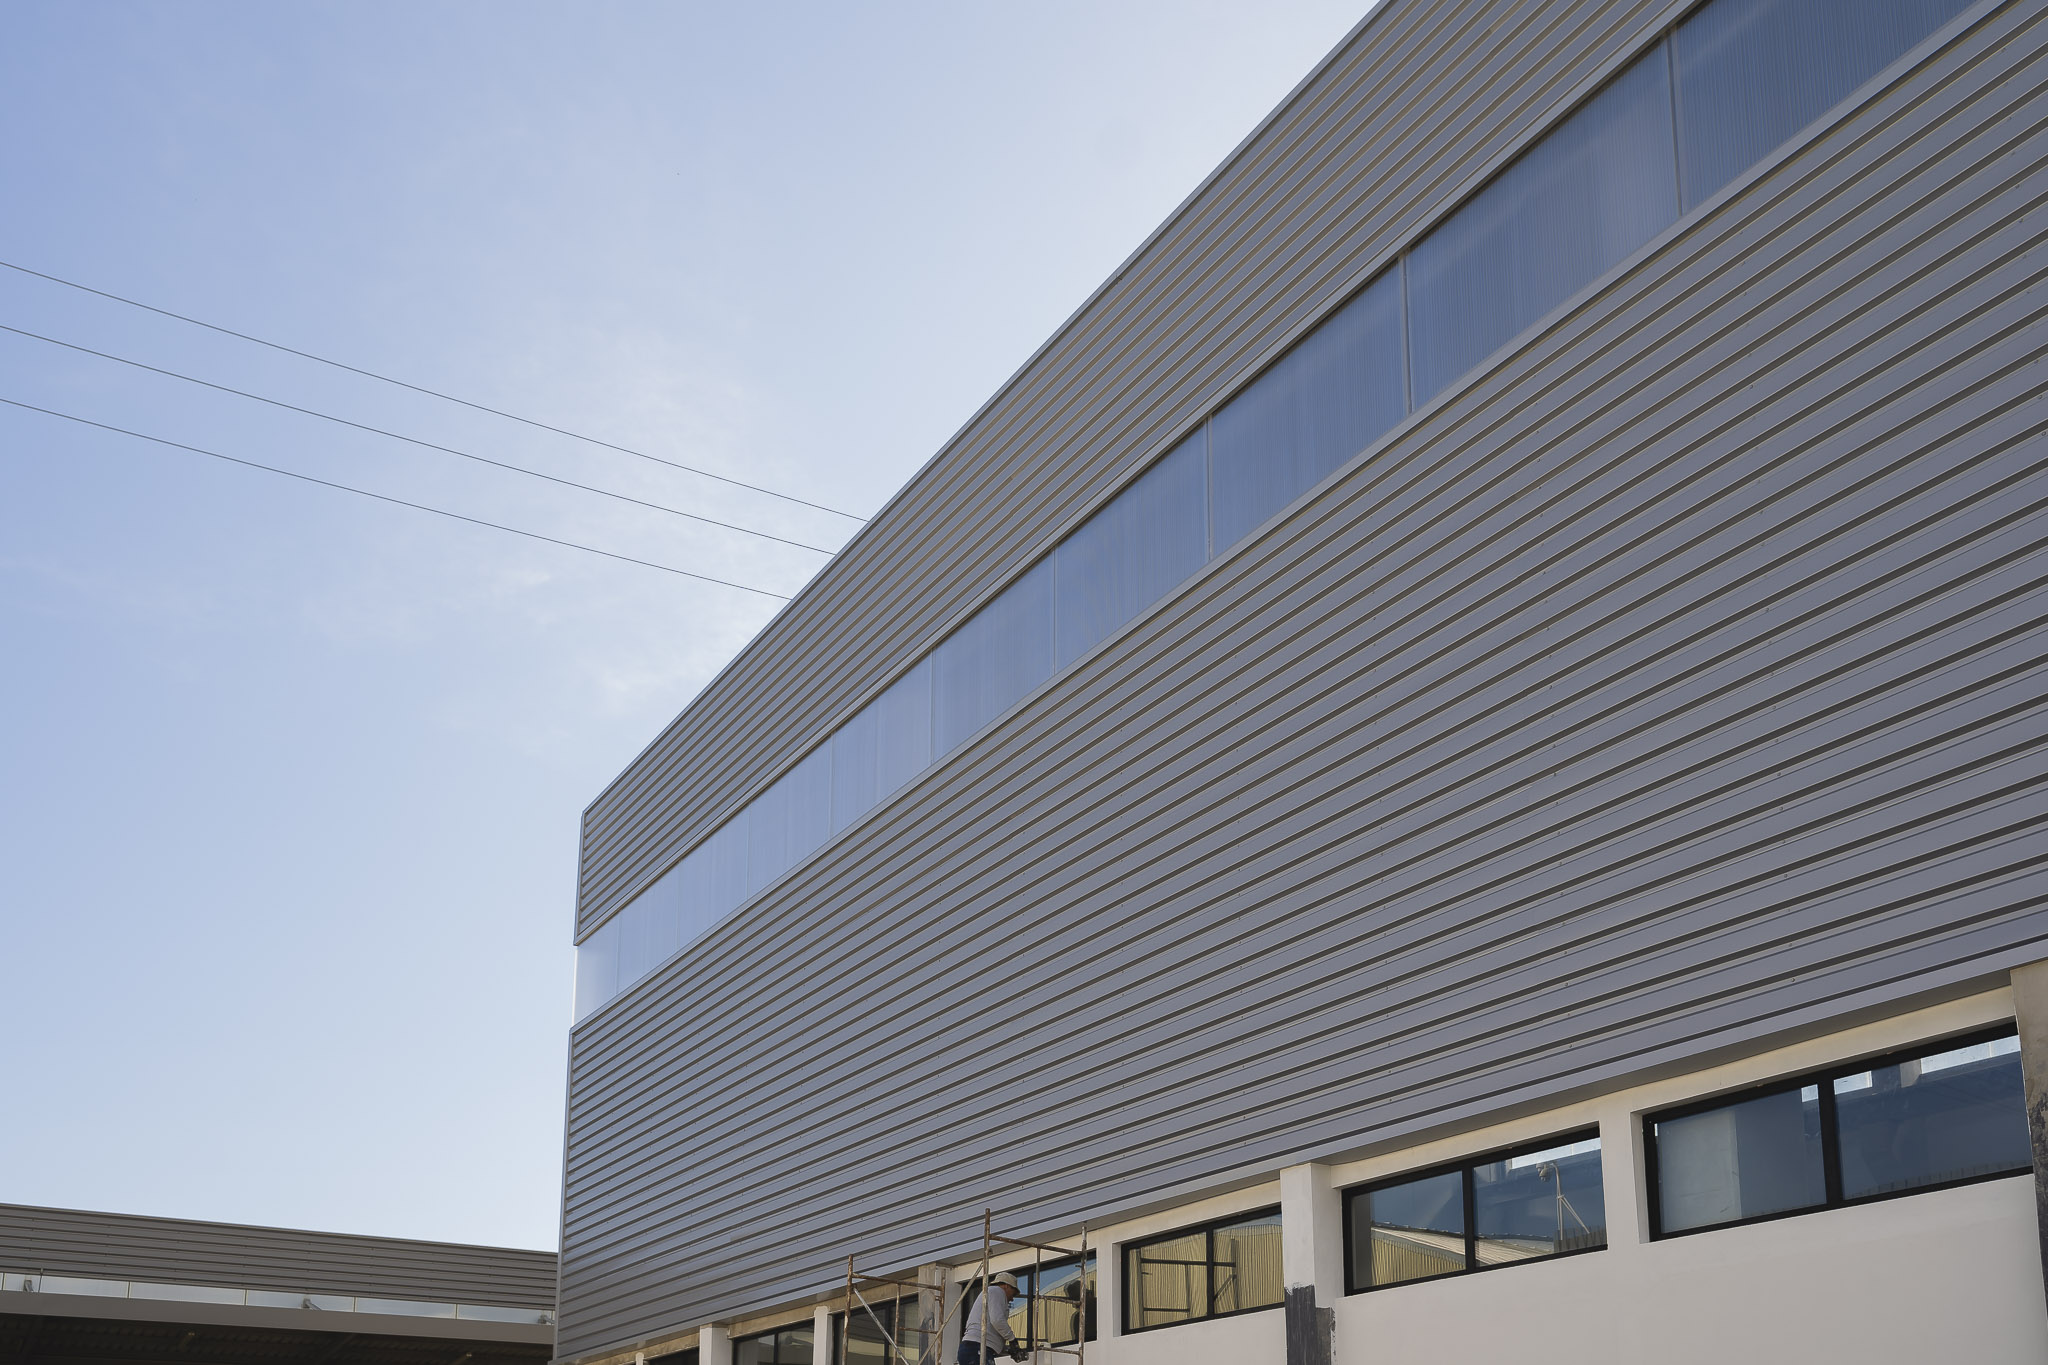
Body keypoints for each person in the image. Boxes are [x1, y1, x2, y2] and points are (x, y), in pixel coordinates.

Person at [957, 1271, 1026, 1364]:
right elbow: (997, 1320)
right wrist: (1012, 1340)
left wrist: (1009, 1350)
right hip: (976, 1348)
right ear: (1006, 1286)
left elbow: (990, 1335)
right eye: (1013, 1294)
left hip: (972, 1349)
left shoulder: (990, 1293)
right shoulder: (997, 1291)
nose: (1012, 1298)